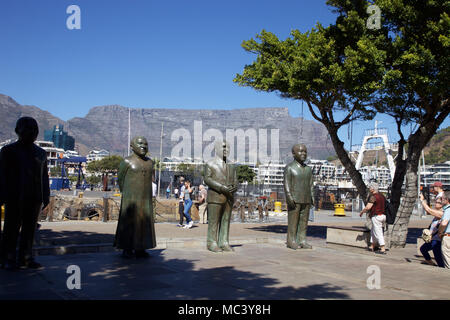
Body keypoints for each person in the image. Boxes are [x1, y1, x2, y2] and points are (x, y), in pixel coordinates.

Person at [0, 117, 50, 270]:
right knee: (11, 229)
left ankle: (26, 257)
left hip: (34, 197)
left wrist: (45, 196)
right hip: (14, 196)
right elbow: (2, 175)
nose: (31, 133)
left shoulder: (41, 153)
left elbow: (44, 177)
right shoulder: (8, 151)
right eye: (27, 129)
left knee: (30, 229)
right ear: (18, 131)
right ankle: (7, 258)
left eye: (34, 130)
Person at [114, 136, 156, 259]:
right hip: (130, 199)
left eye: (146, 143)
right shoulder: (126, 162)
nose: (143, 146)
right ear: (132, 146)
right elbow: (120, 180)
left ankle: (141, 247)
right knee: (128, 223)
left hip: (145, 199)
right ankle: (127, 248)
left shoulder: (150, 163)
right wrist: (127, 194)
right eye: (140, 143)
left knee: (144, 223)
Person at [204, 140, 238, 252]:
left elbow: (235, 181)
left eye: (228, 147)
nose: (226, 150)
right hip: (215, 196)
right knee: (214, 221)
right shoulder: (210, 164)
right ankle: (212, 242)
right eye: (223, 147)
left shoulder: (232, 165)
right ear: (216, 148)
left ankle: (224, 241)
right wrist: (221, 187)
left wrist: (234, 187)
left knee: (226, 220)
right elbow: (207, 179)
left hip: (229, 197)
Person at [283, 143, 314, 250]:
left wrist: (312, 197)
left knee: (304, 222)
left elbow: (311, 184)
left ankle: (302, 240)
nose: (303, 153)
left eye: (305, 151)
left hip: (306, 199)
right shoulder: (289, 168)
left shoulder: (308, 169)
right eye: (300, 151)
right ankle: (291, 240)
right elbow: (286, 184)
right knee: (293, 222)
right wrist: (289, 197)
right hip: (294, 199)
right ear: (293, 153)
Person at [360, 182, 387, 254]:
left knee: (378, 232)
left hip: (376, 216)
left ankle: (383, 248)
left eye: (370, 187)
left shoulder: (373, 196)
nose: (369, 189)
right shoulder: (382, 196)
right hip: (383, 216)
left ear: (373, 189)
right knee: (373, 231)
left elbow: (368, 207)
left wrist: (362, 212)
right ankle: (372, 246)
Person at [419, 193, 444, 267]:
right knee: (423, 249)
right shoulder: (437, 213)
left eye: (438, 202)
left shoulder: (442, 213)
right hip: (433, 239)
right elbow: (428, 211)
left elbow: (428, 210)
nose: (436, 203)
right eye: (435, 202)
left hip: (438, 240)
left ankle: (442, 270)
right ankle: (431, 262)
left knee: (439, 258)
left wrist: (422, 200)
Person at [438, 191, 450, 268]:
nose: (440, 200)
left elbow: (444, 223)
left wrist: (440, 232)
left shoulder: (448, 210)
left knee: (448, 262)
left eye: (441, 198)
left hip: (447, 237)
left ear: (447, 200)